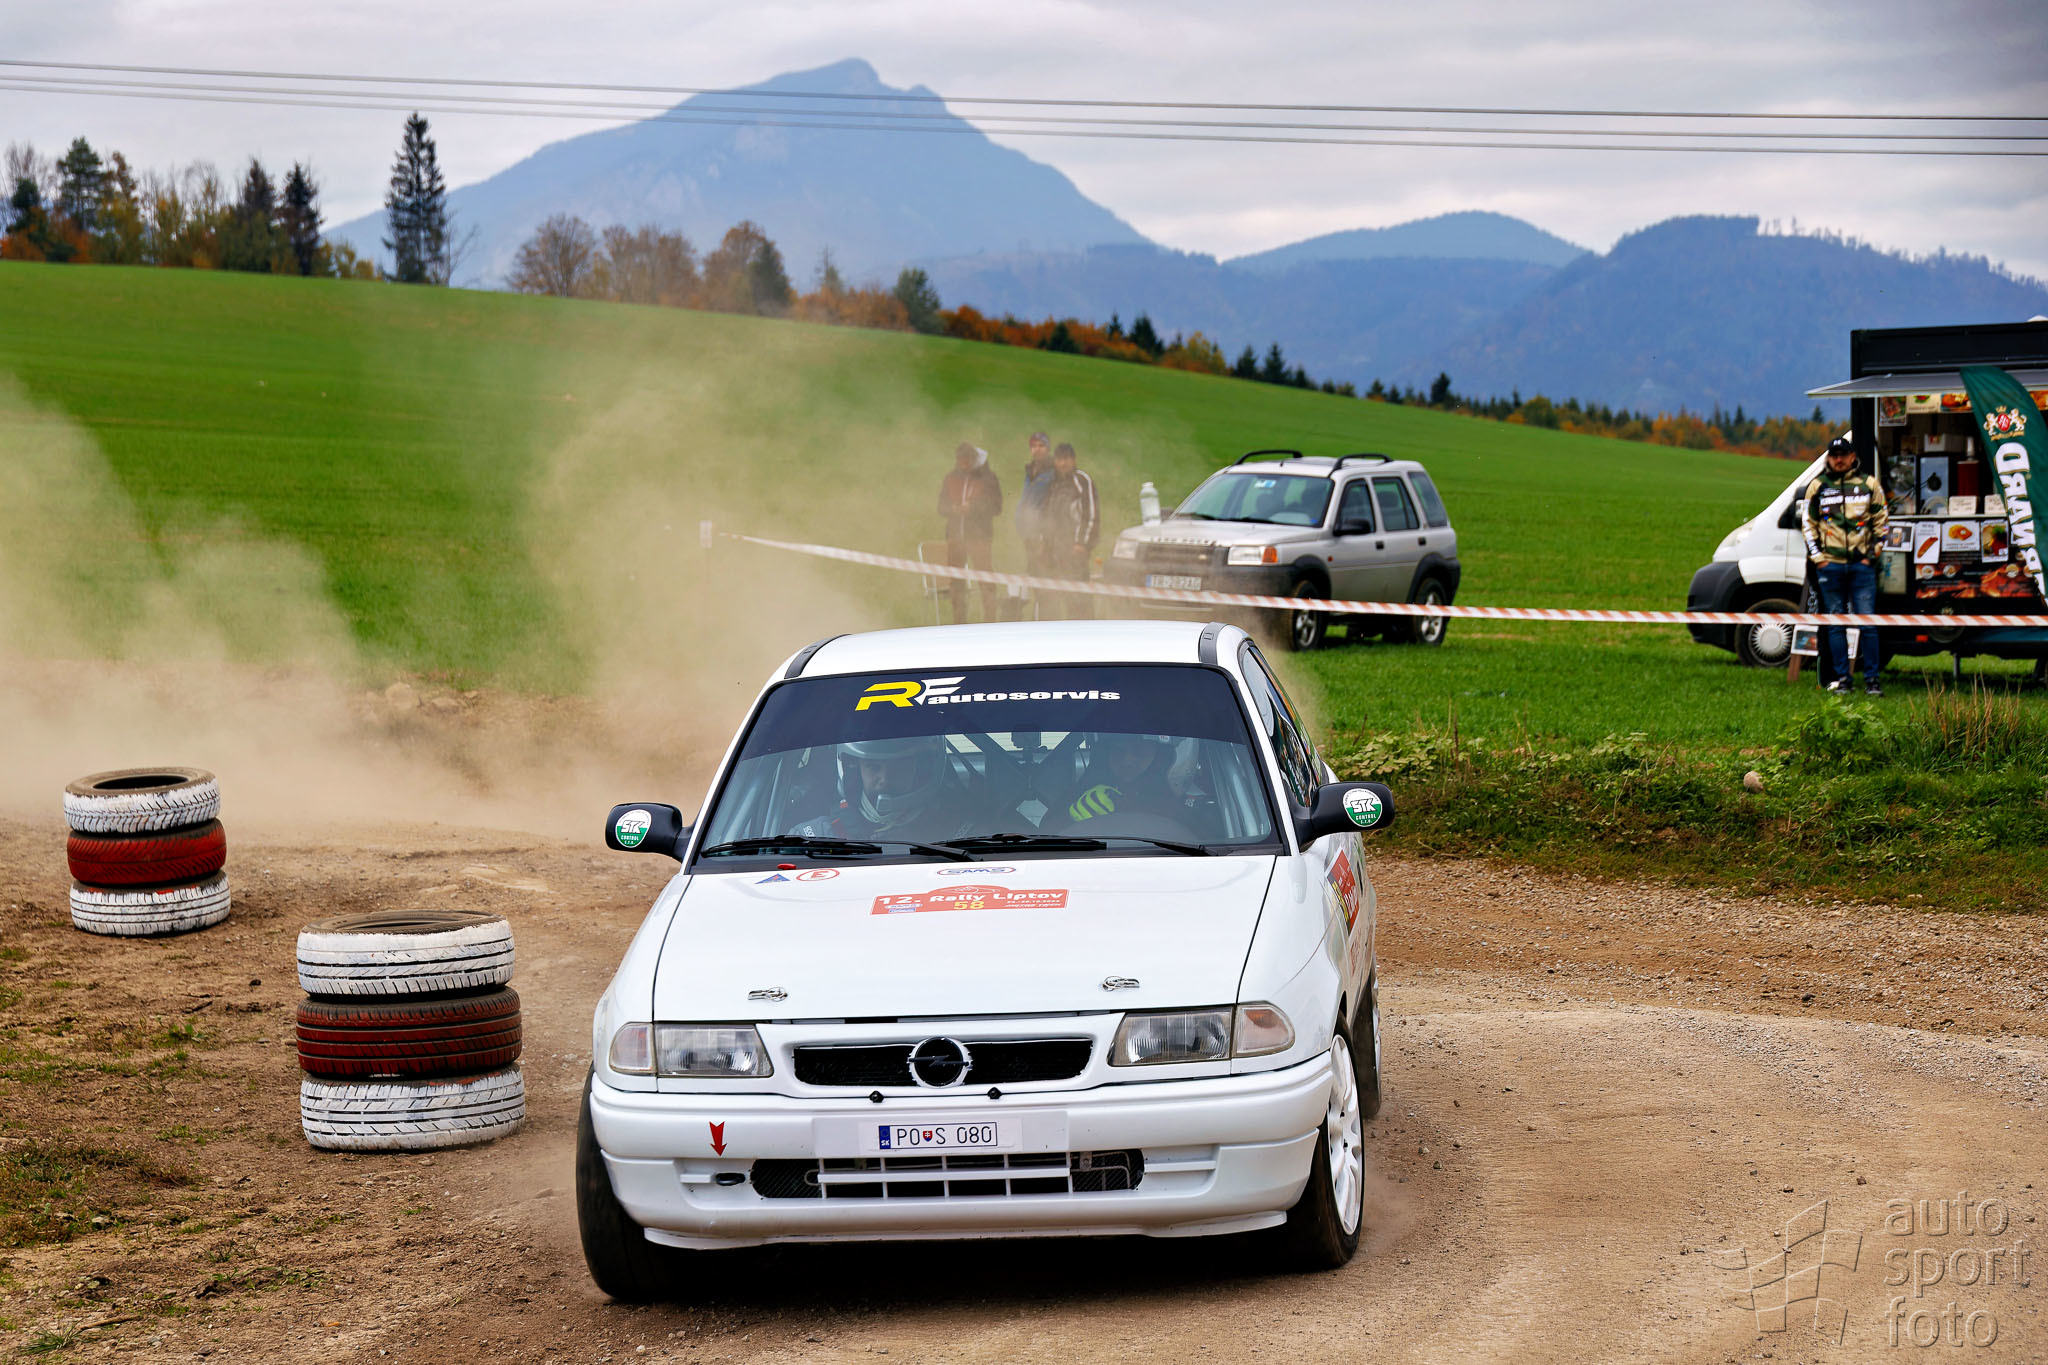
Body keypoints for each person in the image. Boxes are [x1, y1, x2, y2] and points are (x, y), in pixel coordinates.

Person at [1800, 435, 1889, 696]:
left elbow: (1882, 521)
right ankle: (1843, 680)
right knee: (1835, 624)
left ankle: (1872, 681)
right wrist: (1819, 558)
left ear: (1852, 457)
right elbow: (1808, 524)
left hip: (1862, 566)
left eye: (1843, 455)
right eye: (1834, 456)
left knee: (1867, 624)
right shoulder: (1818, 486)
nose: (1838, 460)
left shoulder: (1869, 484)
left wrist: (1872, 555)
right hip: (1831, 566)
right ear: (1829, 459)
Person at [796, 736, 987, 842]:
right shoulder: (816, 835)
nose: (885, 780)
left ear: (921, 770)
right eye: (873, 767)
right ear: (854, 771)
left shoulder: (964, 834)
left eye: (899, 767)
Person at [936, 442, 1003, 623]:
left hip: (979, 537)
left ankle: (990, 620)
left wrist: (973, 508)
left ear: (974, 460)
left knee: (985, 577)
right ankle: (959, 621)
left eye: (967, 460)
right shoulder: (951, 478)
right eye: (961, 460)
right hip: (955, 536)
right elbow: (941, 506)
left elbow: (996, 506)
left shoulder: (988, 479)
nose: (964, 464)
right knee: (956, 580)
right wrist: (953, 509)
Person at [1064, 733, 1186, 827]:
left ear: (1160, 758)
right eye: (1118, 750)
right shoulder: (1081, 794)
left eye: (1140, 751)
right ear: (1103, 755)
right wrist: (1073, 818)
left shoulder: (1178, 805)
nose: (1128, 761)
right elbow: (1055, 830)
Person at [1039, 441, 1099, 619]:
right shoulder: (1053, 484)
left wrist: (1082, 544)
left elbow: (1091, 514)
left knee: (1078, 599)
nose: (1063, 463)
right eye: (1059, 459)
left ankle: (1083, 629)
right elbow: (1046, 516)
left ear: (1074, 460)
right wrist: (1044, 544)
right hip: (1054, 551)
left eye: (1066, 459)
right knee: (1053, 599)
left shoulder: (1082, 480)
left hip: (1075, 551)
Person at [1015, 432, 1055, 578]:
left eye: (1041, 446)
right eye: (1033, 446)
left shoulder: (1054, 471)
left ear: (1048, 448)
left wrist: (1045, 532)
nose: (1037, 449)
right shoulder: (1029, 470)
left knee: (1045, 570)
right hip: (1029, 528)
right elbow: (1026, 497)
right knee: (1033, 569)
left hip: (1045, 530)